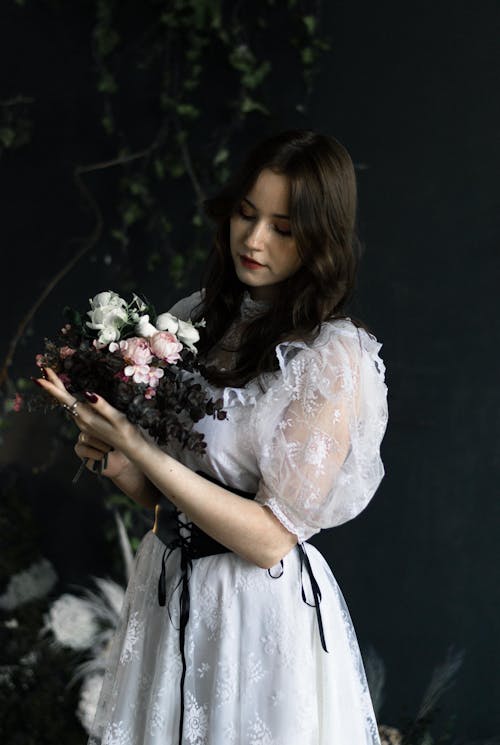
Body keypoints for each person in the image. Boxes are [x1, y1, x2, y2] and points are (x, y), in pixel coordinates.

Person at [36, 129, 389, 744]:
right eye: (246, 215)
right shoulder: (196, 318)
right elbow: (168, 499)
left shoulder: (331, 358)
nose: (253, 240)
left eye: (283, 227)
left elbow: (270, 540)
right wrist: (117, 460)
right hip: (169, 586)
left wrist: (141, 448)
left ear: (320, 237)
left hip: (255, 610)